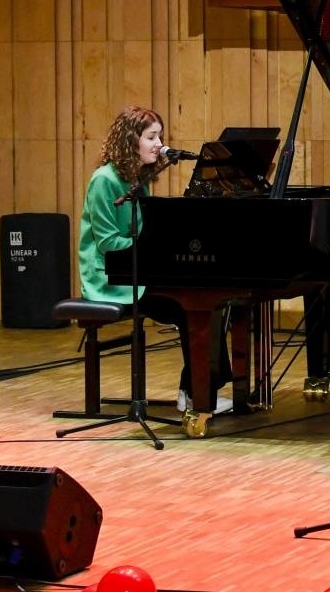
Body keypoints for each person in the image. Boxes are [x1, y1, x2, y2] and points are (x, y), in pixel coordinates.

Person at [77, 105, 231, 414]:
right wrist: (153, 249)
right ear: (129, 141)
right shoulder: (104, 181)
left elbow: (144, 232)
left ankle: (198, 387)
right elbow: (108, 244)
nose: (159, 145)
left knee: (207, 300)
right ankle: (195, 391)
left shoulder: (139, 179)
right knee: (187, 305)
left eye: (159, 136)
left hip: (137, 269)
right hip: (109, 278)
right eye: (151, 137)